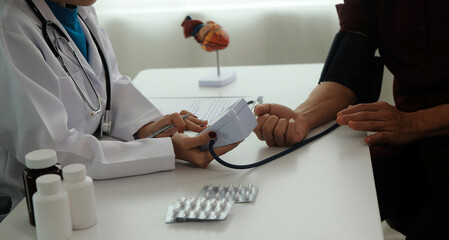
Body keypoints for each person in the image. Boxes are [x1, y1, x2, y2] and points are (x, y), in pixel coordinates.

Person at [0, 0, 238, 221]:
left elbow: (109, 85)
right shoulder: (11, 26)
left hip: (95, 181)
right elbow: (51, 151)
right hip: (34, 207)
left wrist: (148, 128)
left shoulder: (82, 9)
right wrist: (165, 150)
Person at [253, 1, 449, 239]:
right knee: (320, 208)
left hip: (424, 134)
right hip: (407, 144)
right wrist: (303, 116)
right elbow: (348, 70)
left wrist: (415, 123)